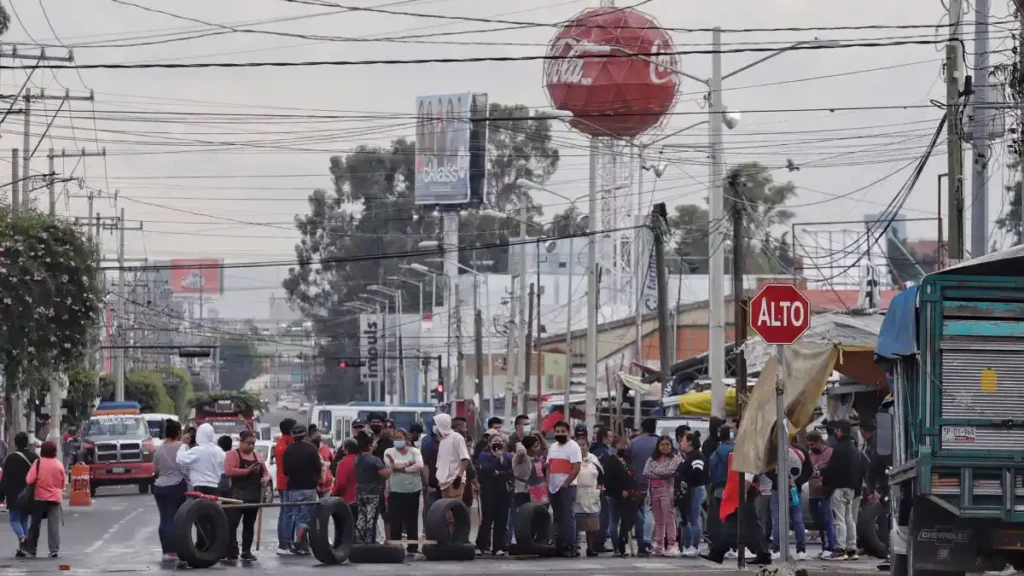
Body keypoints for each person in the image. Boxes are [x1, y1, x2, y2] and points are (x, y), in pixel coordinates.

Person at [822, 419, 865, 561]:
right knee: (850, 519)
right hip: (851, 488)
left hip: (839, 488)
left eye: (837, 430)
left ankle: (840, 548)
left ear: (840, 431)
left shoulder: (839, 449)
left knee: (838, 519)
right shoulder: (854, 449)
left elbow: (832, 470)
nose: (835, 432)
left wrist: (825, 483)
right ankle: (852, 548)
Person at [224, 430, 270, 562]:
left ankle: (246, 550)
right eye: (248, 443)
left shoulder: (258, 456)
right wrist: (247, 471)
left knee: (249, 524)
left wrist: (265, 479)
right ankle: (231, 550)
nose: (251, 446)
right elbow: (229, 470)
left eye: (253, 444)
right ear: (241, 442)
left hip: (254, 495)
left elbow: (266, 473)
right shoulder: (233, 455)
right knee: (232, 524)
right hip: (236, 495)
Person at [767, 437, 811, 560]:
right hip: (794, 490)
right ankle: (801, 550)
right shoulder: (801, 451)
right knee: (797, 519)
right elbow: (809, 470)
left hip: (778, 490)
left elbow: (767, 469)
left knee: (778, 519)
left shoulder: (775, 450)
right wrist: (797, 482)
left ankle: (776, 549)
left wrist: (778, 480)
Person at [282, 425, 322, 556]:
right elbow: (318, 467)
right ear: (305, 435)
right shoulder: (312, 449)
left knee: (297, 516)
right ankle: (302, 544)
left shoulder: (289, 450)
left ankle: (300, 544)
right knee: (306, 517)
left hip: (293, 487)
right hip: (309, 487)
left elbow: (286, 471)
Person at [22, 441, 65, 558]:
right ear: (55, 451)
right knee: (53, 525)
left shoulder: (38, 463)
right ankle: (54, 549)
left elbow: (29, 480)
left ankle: (32, 549)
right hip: (55, 499)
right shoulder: (59, 465)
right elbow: (62, 484)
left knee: (35, 524)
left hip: (39, 498)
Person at [384, 429, 424, 554]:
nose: (398, 440)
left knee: (412, 519)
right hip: (395, 490)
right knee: (395, 519)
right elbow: (391, 464)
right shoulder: (389, 451)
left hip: (413, 490)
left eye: (400, 437)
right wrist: (408, 463)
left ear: (406, 438)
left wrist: (403, 470)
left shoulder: (415, 451)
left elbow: (420, 465)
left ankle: (413, 547)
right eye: (395, 438)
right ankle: (396, 547)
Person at [153, 420, 187, 563]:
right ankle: (174, 551)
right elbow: (187, 464)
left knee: (165, 519)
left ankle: (166, 551)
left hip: (159, 487)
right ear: (179, 433)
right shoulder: (182, 447)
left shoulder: (159, 449)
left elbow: (156, 469)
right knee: (175, 519)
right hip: (176, 486)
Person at [0, 432, 39, 555]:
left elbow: (5, 478)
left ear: (16, 443)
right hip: (29, 493)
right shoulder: (35, 457)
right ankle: (23, 548)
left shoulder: (11, 458)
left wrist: (1, 496)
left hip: (14, 494)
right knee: (23, 520)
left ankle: (23, 539)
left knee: (14, 520)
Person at [643, 436, 682, 557]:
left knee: (669, 519)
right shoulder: (652, 458)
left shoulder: (675, 458)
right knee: (658, 520)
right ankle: (659, 544)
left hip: (667, 491)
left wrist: (655, 471)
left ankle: (671, 544)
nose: (665, 447)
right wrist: (659, 472)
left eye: (667, 444)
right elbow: (645, 472)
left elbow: (670, 471)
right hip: (653, 492)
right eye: (662, 444)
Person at [547, 421, 582, 557]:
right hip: (553, 488)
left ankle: (571, 545)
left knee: (568, 517)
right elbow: (549, 467)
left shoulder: (573, 447)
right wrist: (548, 484)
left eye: (563, 431)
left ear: (568, 432)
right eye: (557, 431)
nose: (560, 434)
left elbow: (576, 468)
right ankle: (559, 544)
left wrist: (566, 483)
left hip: (568, 487)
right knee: (557, 517)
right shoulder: (553, 447)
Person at [475, 431, 513, 556]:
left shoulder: (507, 456)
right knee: (487, 518)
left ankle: (498, 546)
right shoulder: (484, 456)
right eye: (495, 441)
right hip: (488, 490)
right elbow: (485, 469)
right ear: (490, 443)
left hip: (503, 491)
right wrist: (496, 460)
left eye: (500, 441)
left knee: (501, 519)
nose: (498, 443)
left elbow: (510, 472)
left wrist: (499, 472)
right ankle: (481, 545)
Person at [600, 435, 637, 558]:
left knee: (628, 520)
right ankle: (616, 546)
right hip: (614, 495)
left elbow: (632, 475)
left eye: (626, 445)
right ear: (615, 447)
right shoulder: (610, 461)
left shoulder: (627, 459)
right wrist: (619, 491)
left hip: (628, 495)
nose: (624, 447)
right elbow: (608, 480)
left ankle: (622, 542)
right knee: (614, 520)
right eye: (621, 445)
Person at [354, 431, 391, 545]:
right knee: (371, 519)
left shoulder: (357, 459)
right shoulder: (374, 460)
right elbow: (385, 474)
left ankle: (359, 541)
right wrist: (392, 467)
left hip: (360, 492)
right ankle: (370, 543)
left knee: (361, 518)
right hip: (374, 493)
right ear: (370, 445)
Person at [629, 417, 659, 555]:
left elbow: (628, 461)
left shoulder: (633, 442)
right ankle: (646, 543)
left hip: (635, 482)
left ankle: (641, 542)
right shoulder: (660, 443)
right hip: (654, 482)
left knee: (638, 513)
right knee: (649, 512)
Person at [676, 431, 706, 558]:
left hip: (694, 490)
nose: (680, 443)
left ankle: (694, 546)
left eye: (683, 440)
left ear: (689, 442)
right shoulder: (688, 457)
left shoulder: (696, 456)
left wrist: (688, 483)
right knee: (686, 519)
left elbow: (698, 472)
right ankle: (687, 546)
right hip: (687, 491)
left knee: (694, 519)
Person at [574, 434, 604, 557]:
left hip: (591, 494)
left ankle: (590, 548)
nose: (581, 448)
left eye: (583, 445)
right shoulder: (572, 459)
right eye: (578, 445)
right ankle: (574, 546)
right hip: (576, 493)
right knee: (574, 523)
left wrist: (599, 489)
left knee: (591, 525)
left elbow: (602, 476)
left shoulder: (594, 459)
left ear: (588, 446)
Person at [806, 431, 835, 559]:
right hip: (812, 493)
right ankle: (824, 546)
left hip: (824, 493)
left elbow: (833, 469)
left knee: (827, 520)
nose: (811, 447)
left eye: (812, 444)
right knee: (818, 522)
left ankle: (830, 546)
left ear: (819, 442)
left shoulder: (830, 453)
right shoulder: (810, 454)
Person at [177, 424, 226, 497]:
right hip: (215, 487)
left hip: (200, 487)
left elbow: (180, 459)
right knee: (213, 507)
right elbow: (223, 469)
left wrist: (183, 444)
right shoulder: (219, 451)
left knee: (200, 508)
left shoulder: (197, 450)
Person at [706, 424, 734, 552]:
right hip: (733, 488)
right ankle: (733, 546)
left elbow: (711, 471)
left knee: (721, 518)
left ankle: (721, 546)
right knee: (733, 519)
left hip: (718, 488)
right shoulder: (734, 451)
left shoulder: (715, 453)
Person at [274, 418, 296, 555]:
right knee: (288, 514)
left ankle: (285, 542)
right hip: (287, 482)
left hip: (282, 482)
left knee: (284, 513)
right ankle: (285, 543)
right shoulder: (287, 444)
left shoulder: (281, 443)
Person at [434, 414, 470, 500]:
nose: (435, 427)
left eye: (436, 424)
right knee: (447, 511)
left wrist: (459, 476)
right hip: (443, 482)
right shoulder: (442, 441)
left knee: (455, 509)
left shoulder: (457, 437)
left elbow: (465, 459)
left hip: (454, 481)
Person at [331, 438, 360, 504]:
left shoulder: (343, 463)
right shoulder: (363, 460)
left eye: (343, 447)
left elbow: (341, 483)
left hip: (348, 500)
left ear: (346, 449)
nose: (342, 449)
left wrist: (333, 494)